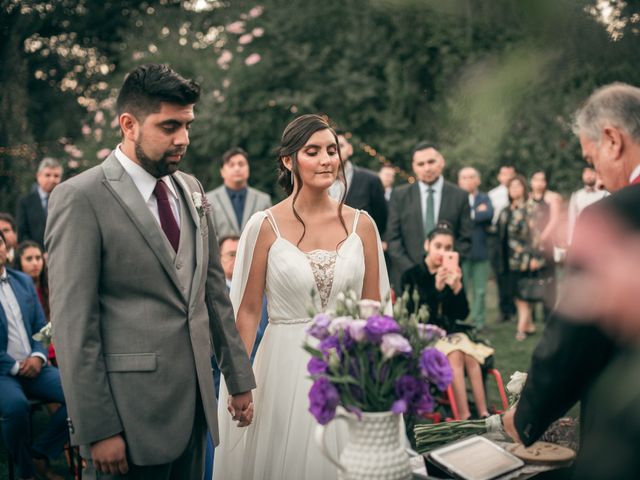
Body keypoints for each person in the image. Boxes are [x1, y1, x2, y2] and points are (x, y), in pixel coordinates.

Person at [45, 64, 256, 479]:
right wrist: (97, 428)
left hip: (195, 412)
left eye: (188, 125)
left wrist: (239, 378)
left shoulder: (192, 189)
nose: (184, 139)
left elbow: (213, 292)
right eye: (170, 126)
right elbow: (74, 326)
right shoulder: (80, 197)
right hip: (127, 421)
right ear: (129, 124)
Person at [213, 114, 390, 480]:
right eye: (313, 151)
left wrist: (381, 378)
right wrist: (238, 380)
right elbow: (246, 313)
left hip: (349, 370)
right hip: (283, 368)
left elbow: (376, 310)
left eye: (332, 150)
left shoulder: (363, 225)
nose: (327, 160)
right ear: (288, 160)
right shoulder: (264, 226)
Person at [503, 83, 640, 480]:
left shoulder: (612, 216)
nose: (596, 175)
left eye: (591, 158)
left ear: (612, 140)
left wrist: (527, 414)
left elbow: (575, 338)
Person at [401, 223, 493, 420]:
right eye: (438, 246)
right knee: (457, 354)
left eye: (448, 248)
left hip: (452, 333)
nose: (442, 252)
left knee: (470, 356)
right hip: (426, 336)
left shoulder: (453, 271)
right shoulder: (412, 275)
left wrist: (457, 288)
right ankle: (464, 415)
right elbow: (415, 314)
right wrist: (437, 289)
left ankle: (484, 412)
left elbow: (462, 313)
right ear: (427, 245)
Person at [0, 230, 68, 480]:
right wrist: (17, 366)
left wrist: (39, 356)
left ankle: (40, 452)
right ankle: (25, 470)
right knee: (16, 407)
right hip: (3, 372)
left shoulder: (23, 281)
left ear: (6, 249)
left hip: (36, 365)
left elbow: (41, 325)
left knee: (79, 394)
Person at [386, 141, 472, 291]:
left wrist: (446, 265)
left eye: (431, 162)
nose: (427, 168)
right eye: (421, 164)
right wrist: (416, 272)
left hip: (447, 279)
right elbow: (393, 239)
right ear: (414, 167)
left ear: (441, 162)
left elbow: (465, 239)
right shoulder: (399, 195)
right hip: (409, 279)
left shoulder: (460, 196)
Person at [497, 175, 545, 341]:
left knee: (524, 295)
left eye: (518, 186)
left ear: (524, 188)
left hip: (525, 257)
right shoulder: (506, 209)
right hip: (509, 259)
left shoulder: (531, 207)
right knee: (517, 294)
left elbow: (536, 235)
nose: (515, 189)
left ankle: (521, 328)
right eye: (511, 187)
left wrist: (534, 257)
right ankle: (529, 324)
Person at [328, 132, 388, 236]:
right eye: (331, 148)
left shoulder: (371, 180)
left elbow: (382, 219)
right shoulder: (316, 180)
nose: (336, 151)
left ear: (350, 149)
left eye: (341, 146)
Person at [205, 147, 271, 239]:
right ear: (222, 171)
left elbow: (268, 234)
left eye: (241, 164)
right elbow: (207, 235)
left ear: (248, 168)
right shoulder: (208, 200)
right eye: (231, 165)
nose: (237, 168)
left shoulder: (263, 200)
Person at [457, 167, 494, 330]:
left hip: (480, 251)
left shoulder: (485, 198)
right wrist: (474, 213)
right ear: (459, 181)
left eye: (471, 177)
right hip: (461, 253)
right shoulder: (455, 199)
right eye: (464, 177)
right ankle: (461, 319)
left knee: (480, 291)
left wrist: (470, 215)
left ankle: (479, 322)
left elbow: (488, 215)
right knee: (460, 289)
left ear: (478, 180)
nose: (468, 180)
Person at [13, 240, 55, 363]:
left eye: (38, 258)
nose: (35, 263)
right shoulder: (14, 291)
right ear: (19, 262)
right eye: (29, 259)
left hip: (54, 341)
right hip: (30, 350)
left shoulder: (50, 287)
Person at [529, 170, 562, 320]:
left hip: (546, 243)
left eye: (542, 180)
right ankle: (531, 315)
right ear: (531, 181)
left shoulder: (552, 198)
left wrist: (542, 238)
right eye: (536, 179)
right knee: (532, 277)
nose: (539, 183)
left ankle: (548, 312)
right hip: (530, 244)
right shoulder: (527, 198)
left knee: (548, 277)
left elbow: (554, 220)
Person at [487, 165, 516, 322]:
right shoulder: (493, 194)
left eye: (510, 174)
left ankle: (515, 308)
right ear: (499, 177)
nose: (507, 177)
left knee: (513, 274)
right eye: (504, 174)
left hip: (513, 237)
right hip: (496, 236)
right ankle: (503, 308)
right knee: (500, 273)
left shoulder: (519, 193)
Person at [16, 158, 63, 250]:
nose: (52, 179)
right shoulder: (25, 202)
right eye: (48, 175)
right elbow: (22, 233)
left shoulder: (65, 201)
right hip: (35, 257)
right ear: (38, 176)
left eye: (56, 176)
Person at [566, 166, 608, 244]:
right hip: (582, 240)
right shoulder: (576, 195)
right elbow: (572, 220)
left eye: (591, 172)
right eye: (586, 173)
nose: (588, 176)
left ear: (597, 174)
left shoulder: (605, 194)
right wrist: (570, 242)